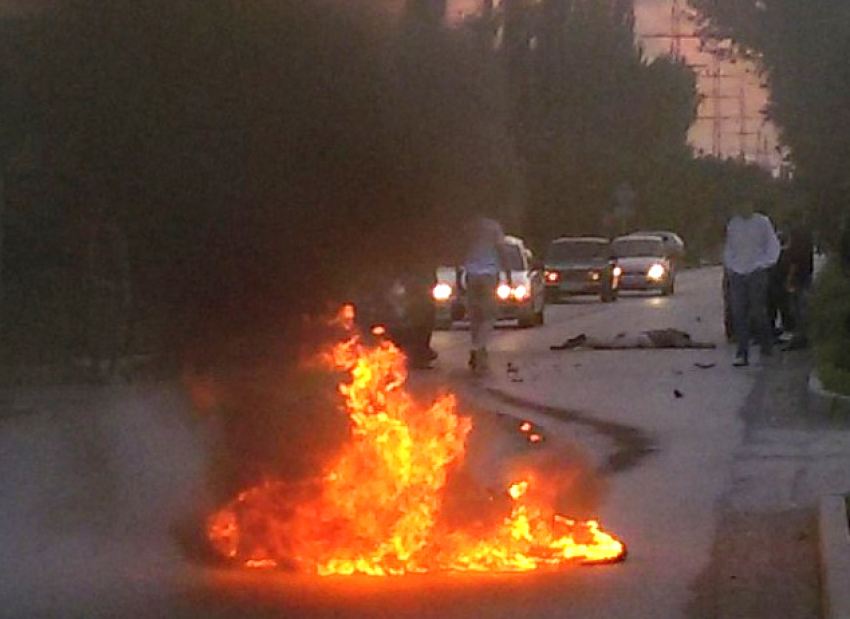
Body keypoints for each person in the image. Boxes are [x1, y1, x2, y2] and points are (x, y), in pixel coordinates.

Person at [723, 197, 781, 366]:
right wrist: (731, 265)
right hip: (738, 273)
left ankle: (766, 344)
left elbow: (772, 246)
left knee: (758, 312)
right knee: (738, 312)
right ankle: (742, 352)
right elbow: (729, 247)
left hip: (756, 272)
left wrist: (763, 264)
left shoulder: (762, 222)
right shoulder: (734, 224)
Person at [463, 213, 512, 374]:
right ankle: (479, 349)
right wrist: (508, 274)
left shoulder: (469, 227)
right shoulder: (494, 227)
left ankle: (476, 347)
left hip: (471, 274)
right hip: (488, 274)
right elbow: (502, 250)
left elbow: (460, 251)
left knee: (474, 315)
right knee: (489, 315)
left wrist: (459, 274)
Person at [782, 222, 814, 350]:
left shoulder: (797, 241)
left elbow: (794, 261)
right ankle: (804, 336)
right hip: (805, 276)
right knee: (802, 308)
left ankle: (801, 337)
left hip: (798, 279)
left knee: (798, 309)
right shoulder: (806, 239)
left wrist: (789, 278)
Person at [551, 328, 715, 350]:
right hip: (641, 339)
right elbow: (688, 345)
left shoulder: (669, 331)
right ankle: (586, 339)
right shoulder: (675, 337)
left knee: (609, 344)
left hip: (638, 336)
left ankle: (585, 340)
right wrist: (706, 345)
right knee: (608, 346)